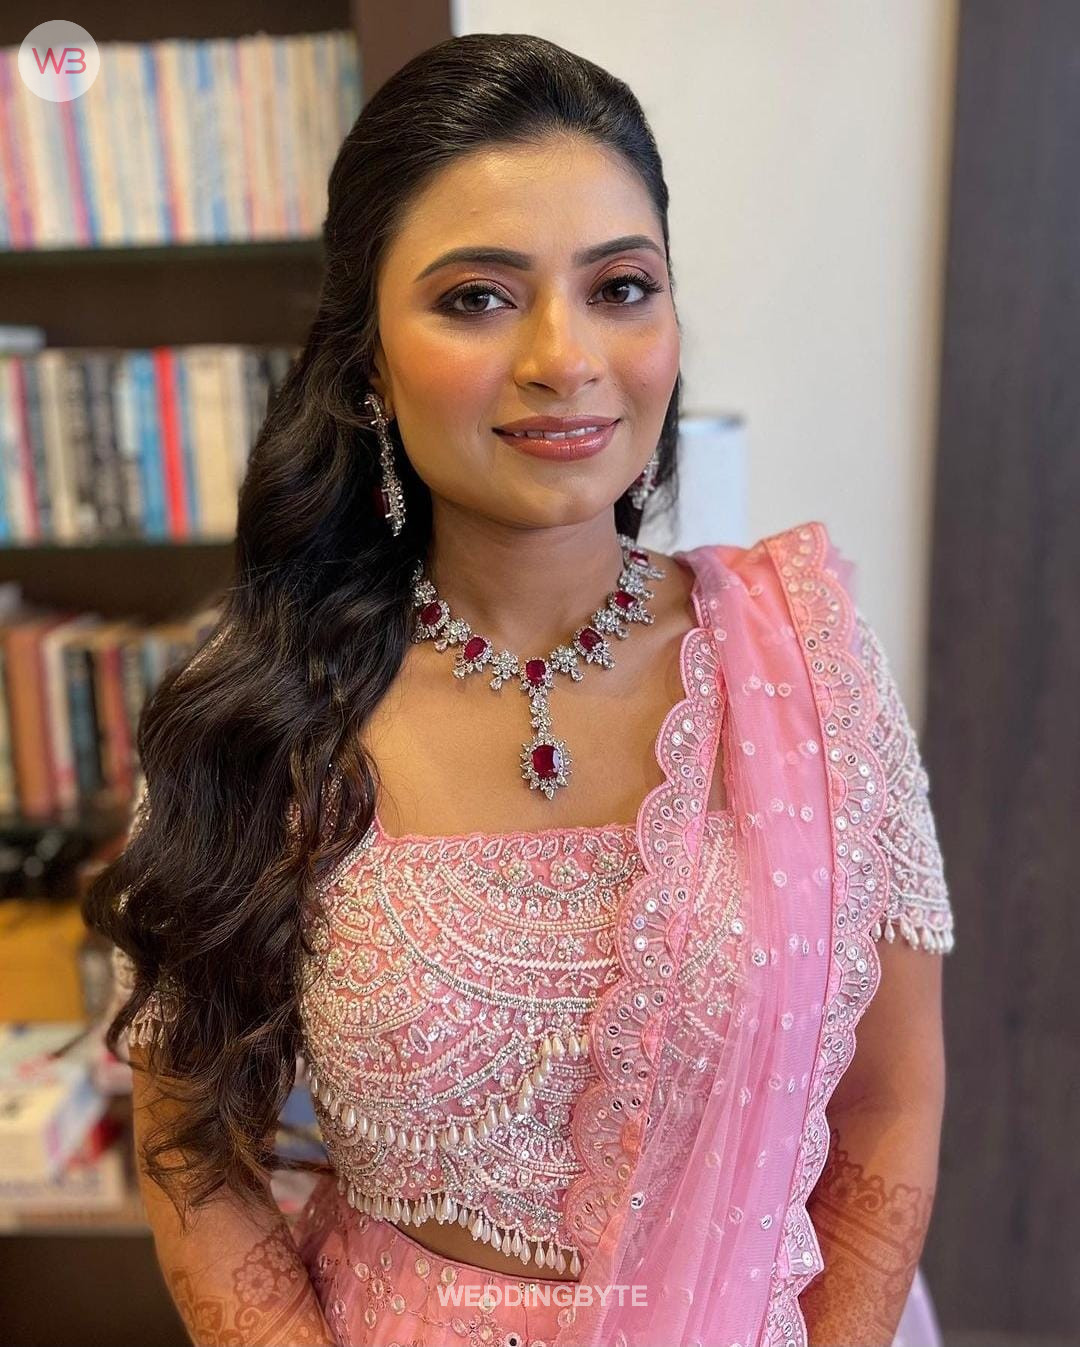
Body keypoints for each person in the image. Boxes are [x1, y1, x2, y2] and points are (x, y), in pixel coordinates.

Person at [89, 32, 956, 1347]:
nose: (566, 355)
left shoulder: (806, 661)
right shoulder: (256, 713)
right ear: (367, 359)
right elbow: (193, 1157)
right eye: (479, 298)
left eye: (621, 287)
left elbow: (887, 1107)